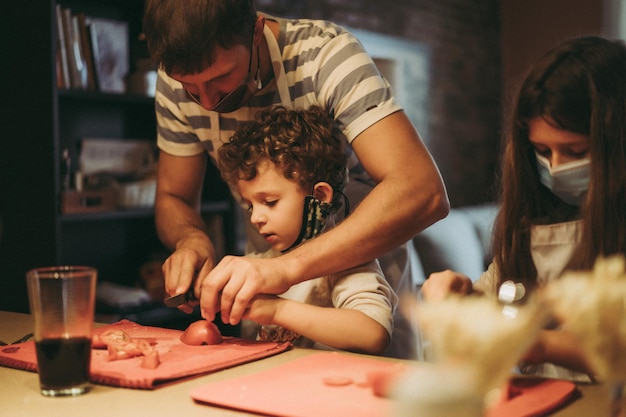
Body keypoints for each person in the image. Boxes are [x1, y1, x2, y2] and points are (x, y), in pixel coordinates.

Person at [143, 0, 449, 358]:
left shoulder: (326, 57)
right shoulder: (176, 78)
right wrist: (191, 240)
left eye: (220, 78)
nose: (206, 102)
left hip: (357, 260)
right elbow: (173, 197)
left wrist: (285, 269)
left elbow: (422, 190)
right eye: (190, 88)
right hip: (268, 266)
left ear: (256, 33)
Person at [421, 35, 626, 380]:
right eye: (543, 152)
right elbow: (501, 296)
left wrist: (535, 342)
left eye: (576, 152)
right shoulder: (537, 219)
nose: (556, 167)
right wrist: (463, 297)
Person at [216, 105, 397, 354]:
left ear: (320, 196)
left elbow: (373, 333)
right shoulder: (263, 265)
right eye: (250, 206)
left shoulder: (344, 264)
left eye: (270, 202)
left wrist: (277, 310)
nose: (256, 217)